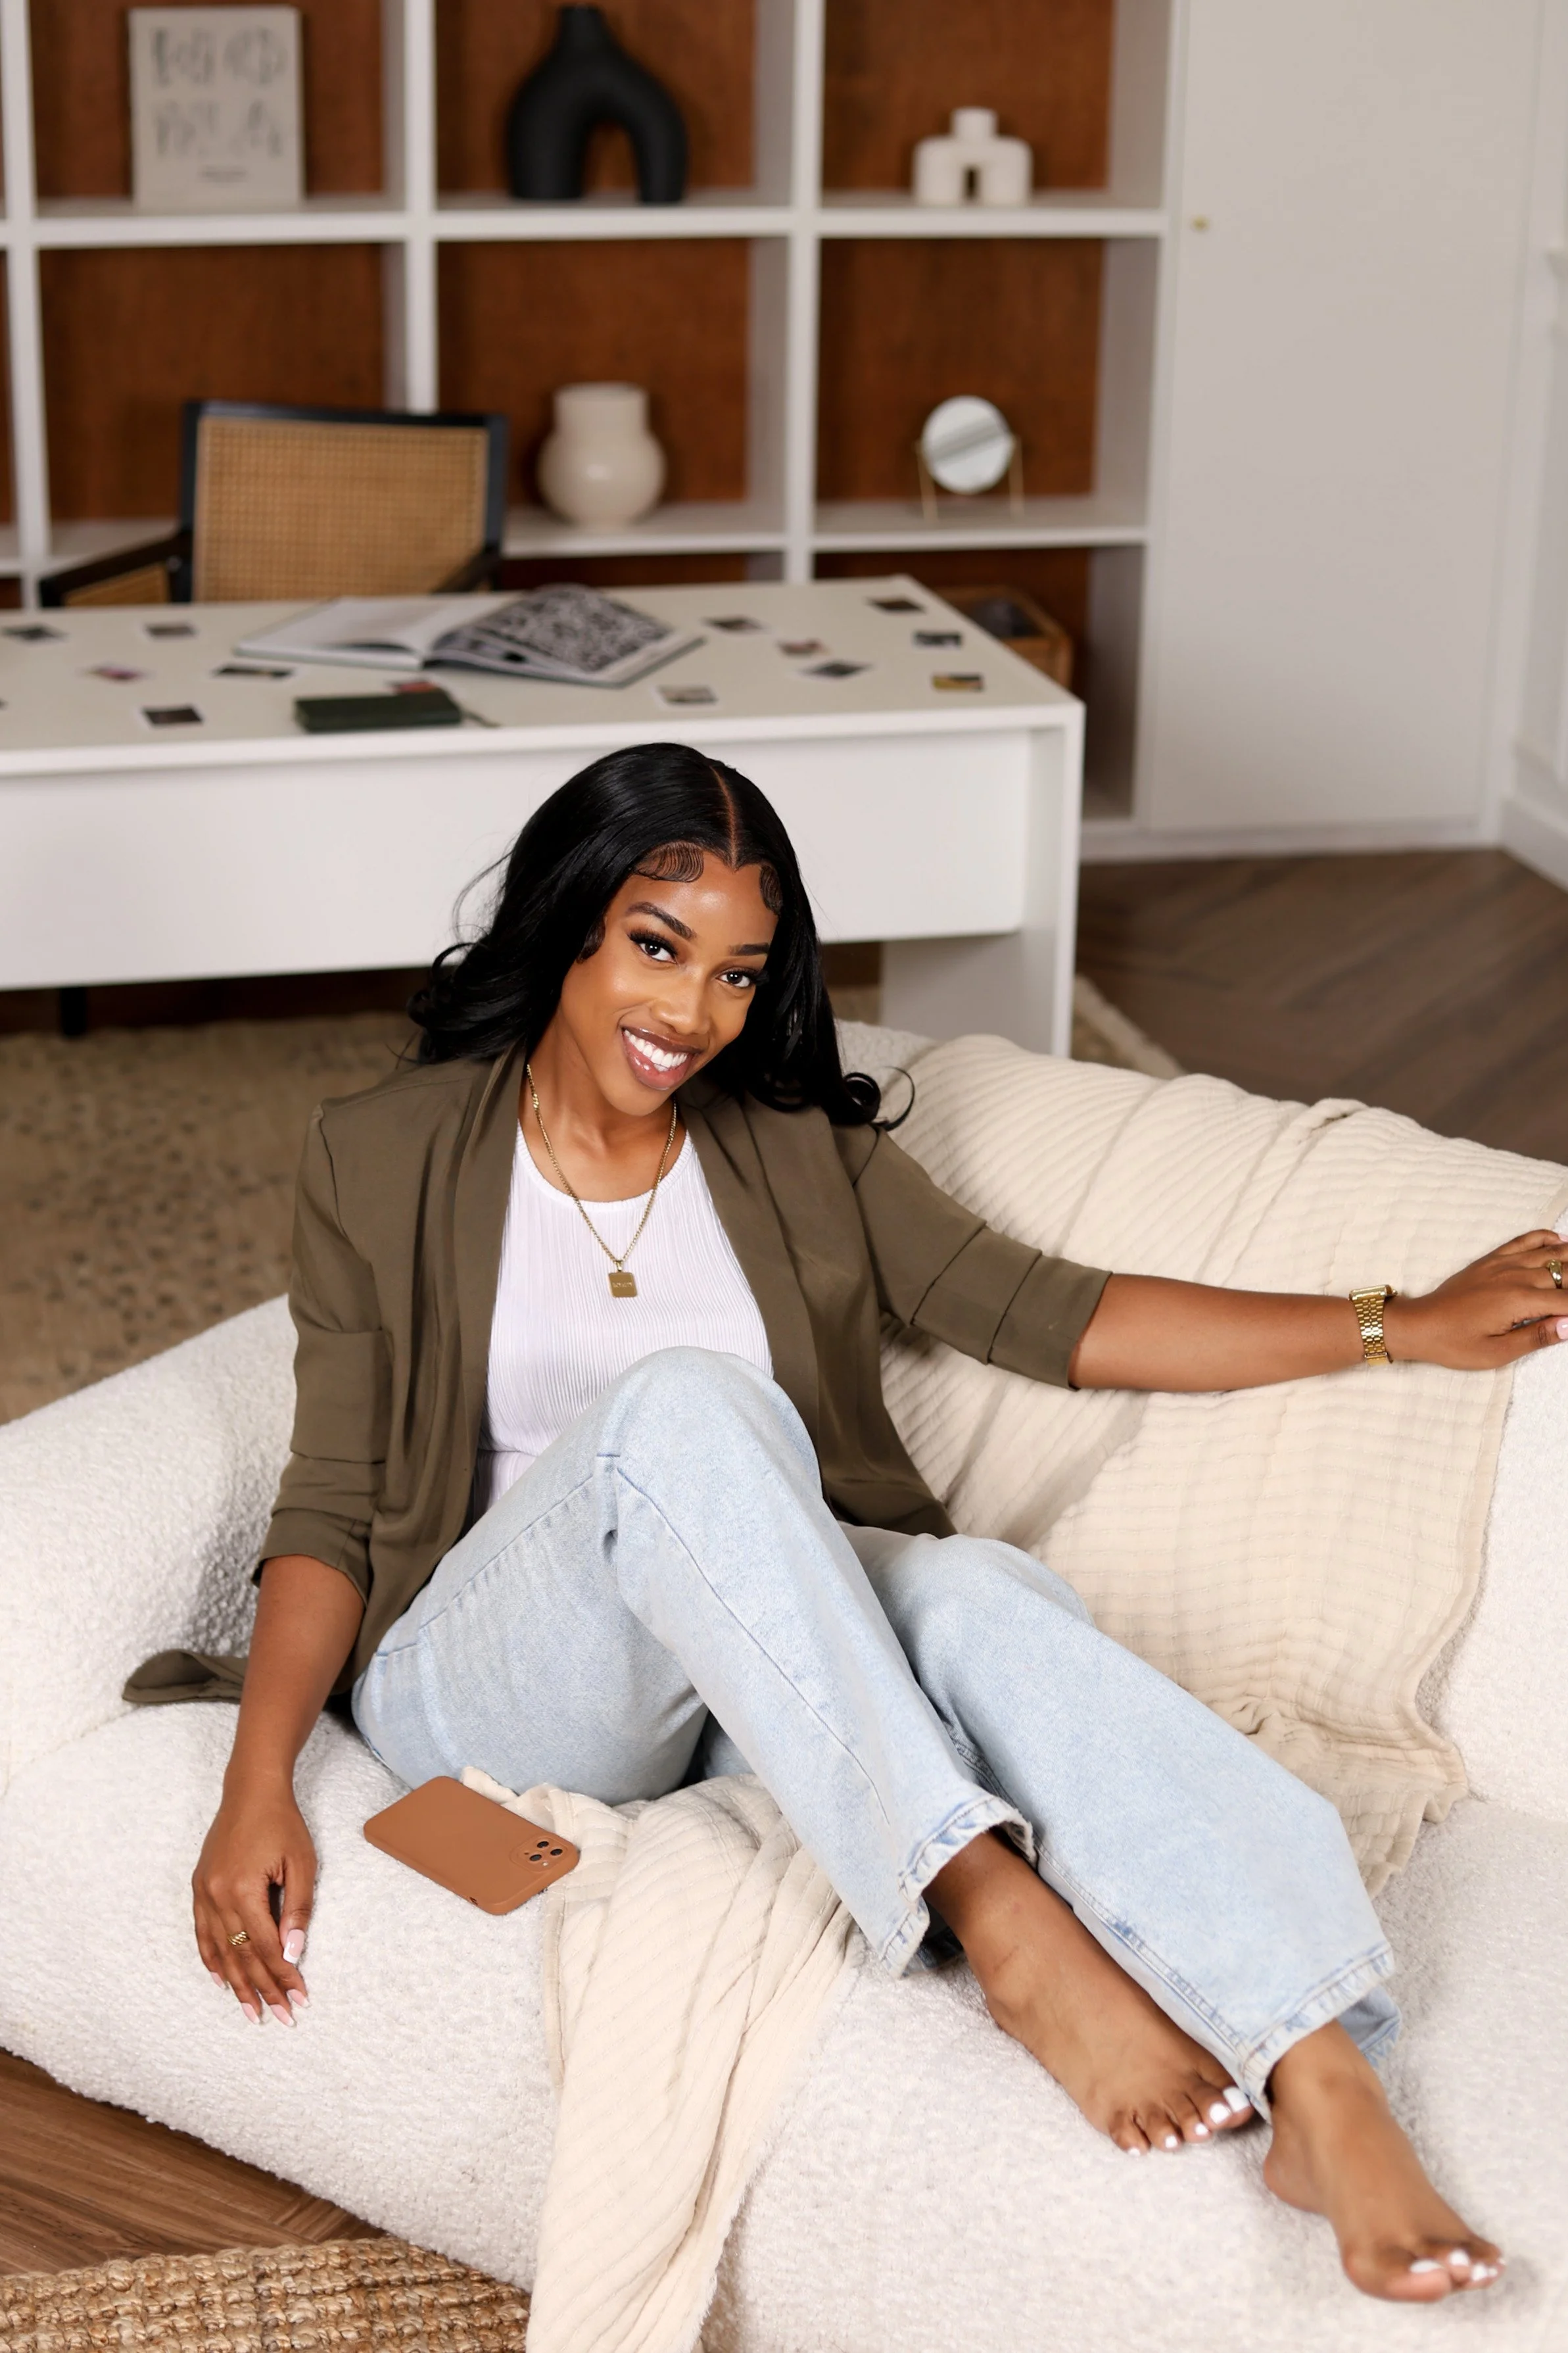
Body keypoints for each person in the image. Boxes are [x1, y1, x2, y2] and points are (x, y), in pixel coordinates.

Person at [186, 744, 1563, 2304]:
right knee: (684, 1410)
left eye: (735, 975)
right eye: (655, 946)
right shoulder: (382, 1154)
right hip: (490, 1685)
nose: (689, 1013)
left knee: (973, 1593)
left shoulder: (790, 1149)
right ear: (567, 924)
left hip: (744, 1693)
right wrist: (260, 1785)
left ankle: (1323, 2073)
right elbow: (327, 1503)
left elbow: (1064, 1318)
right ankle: (999, 1916)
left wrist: (1399, 1323)